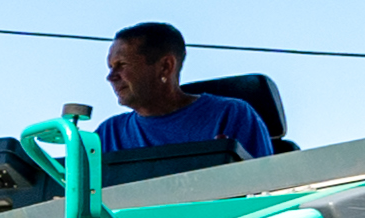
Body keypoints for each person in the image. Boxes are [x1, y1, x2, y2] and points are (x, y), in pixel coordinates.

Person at [95, 20, 279, 169]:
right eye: (110, 67)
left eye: (122, 65)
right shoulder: (108, 134)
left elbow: (265, 189)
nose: (110, 77)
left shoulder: (231, 115)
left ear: (166, 66)